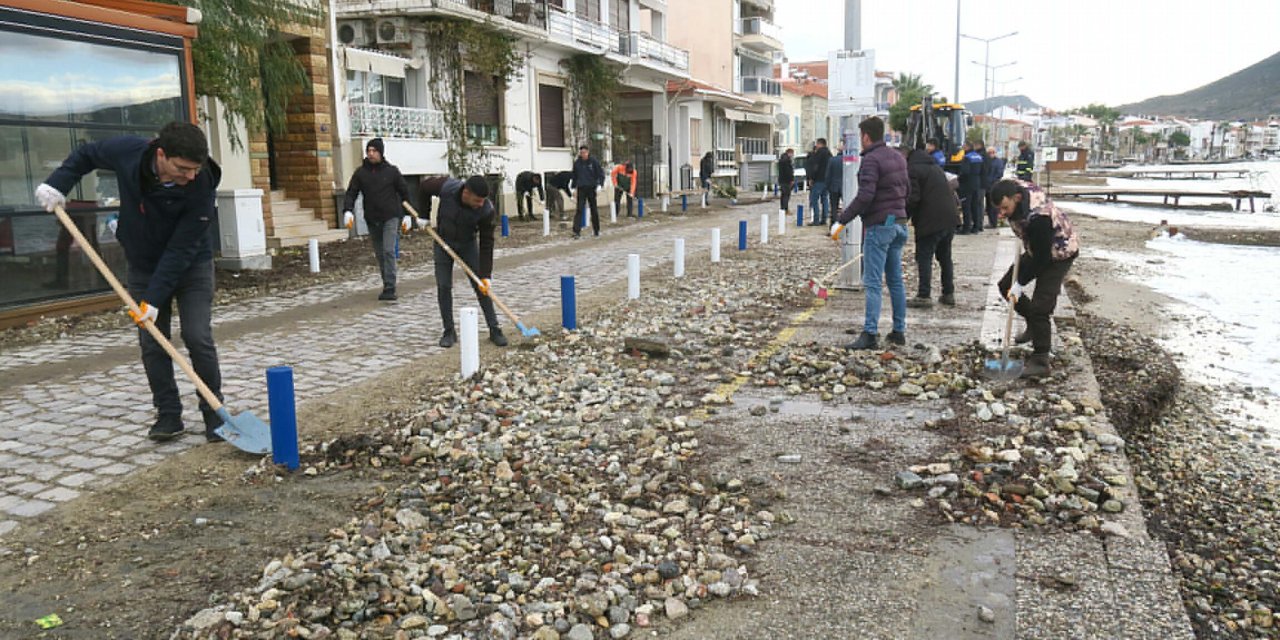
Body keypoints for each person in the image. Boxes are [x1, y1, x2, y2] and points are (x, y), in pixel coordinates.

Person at [35, 122, 226, 442]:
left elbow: (181, 249)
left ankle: (215, 415)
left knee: (197, 336)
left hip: (192, 265)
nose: (189, 176)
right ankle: (168, 415)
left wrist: (152, 299)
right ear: (162, 155)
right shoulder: (130, 153)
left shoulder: (201, 183)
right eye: (183, 168)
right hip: (144, 263)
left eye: (195, 169)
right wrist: (58, 184)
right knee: (152, 342)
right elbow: (87, 154)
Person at [829, 117, 909, 350]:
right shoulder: (898, 157)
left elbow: (865, 196)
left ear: (865, 136)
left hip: (879, 226)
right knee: (895, 281)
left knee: (872, 282)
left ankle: (870, 334)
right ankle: (898, 331)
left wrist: (841, 221)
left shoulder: (871, 160)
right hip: (899, 223)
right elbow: (908, 190)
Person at [989, 178, 1079, 378]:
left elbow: (1042, 259)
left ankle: (1040, 360)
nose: (1001, 214)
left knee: (1041, 306)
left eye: (1005, 208)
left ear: (1017, 198)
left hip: (1058, 253)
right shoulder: (1014, 190)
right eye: (998, 209)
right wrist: (1015, 284)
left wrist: (1020, 283)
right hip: (1036, 247)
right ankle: (1032, 324)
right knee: (1005, 286)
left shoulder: (1039, 218)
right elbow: (1035, 252)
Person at [419, 175, 508, 348]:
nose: (480, 204)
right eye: (477, 200)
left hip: (468, 245)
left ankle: (494, 328)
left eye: (483, 200)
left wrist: (486, 274)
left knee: (481, 286)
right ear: (466, 193)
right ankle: (449, 331)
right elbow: (424, 187)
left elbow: (487, 242)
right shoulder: (447, 188)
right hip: (442, 241)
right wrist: (424, 215)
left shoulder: (486, 210)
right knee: (443, 286)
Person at [342, 138, 413, 301]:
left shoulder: (392, 172)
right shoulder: (361, 173)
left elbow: (404, 193)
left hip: (390, 217)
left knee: (388, 250)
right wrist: (347, 210)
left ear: (381, 152)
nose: (371, 154)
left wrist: (408, 215)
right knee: (380, 253)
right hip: (372, 218)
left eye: (374, 151)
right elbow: (351, 192)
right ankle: (386, 282)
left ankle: (390, 286)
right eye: (369, 151)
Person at [904, 146, 957, 308]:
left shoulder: (913, 169)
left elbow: (914, 198)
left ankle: (924, 294)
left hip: (930, 220)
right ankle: (948, 293)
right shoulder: (934, 167)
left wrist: (902, 217)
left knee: (924, 256)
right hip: (949, 218)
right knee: (945, 256)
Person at [570, 145, 605, 237]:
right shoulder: (577, 163)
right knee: (579, 209)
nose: (583, 154)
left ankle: (596, 230)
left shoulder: (594, 162)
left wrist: (600, 185)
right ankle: (576, 231)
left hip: (591, 188)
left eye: (584, 152)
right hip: (581, 188)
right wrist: (573, 188)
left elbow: (600, 174)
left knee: (594, 209)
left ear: (588, 152)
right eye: (581, 153)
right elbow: (574, 176)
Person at [958, 141, 985, 233]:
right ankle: (976, 227)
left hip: (967, 184)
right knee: (975, 206)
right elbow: (983, 171)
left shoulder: (967, 158)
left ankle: (966, 228)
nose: (962, 148)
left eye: (963, 147)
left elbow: (965, 172)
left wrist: (959, 179)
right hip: (977, 184)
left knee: (966, 206)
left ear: (967, 147)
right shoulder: (979, 157)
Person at [805, 138, 832, 225]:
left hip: (818, 180)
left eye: (817, 144)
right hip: (827, 180)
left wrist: (811, 178)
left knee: (814, 199)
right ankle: (824, 219)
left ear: (820, 144)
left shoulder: (819, 153)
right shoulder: (829, 154)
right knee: (825, 199)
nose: (816, 146)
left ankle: (816, 220)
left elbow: (815, 167)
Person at [984, 147, 1007, 228]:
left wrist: (992, 181)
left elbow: (999, 174)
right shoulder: (987, 161)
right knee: (989, 206)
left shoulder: (998, 162)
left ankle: (994, 222)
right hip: (987, 186)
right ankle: (991, 222)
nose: (990, 154)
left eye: (992, 152)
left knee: (993, 205)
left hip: (994, 186)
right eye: (989, 152)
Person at [825, 143, 845, 212]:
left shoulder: (832, 160)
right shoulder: (848, 160)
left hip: (833, 187)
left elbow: (828, 175)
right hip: (845, 187)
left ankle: (834, 221)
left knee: (834, 207)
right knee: (847, 206)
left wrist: (827, 186)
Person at [777, 148, 795, 212]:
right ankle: (785, 209)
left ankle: (782, 209)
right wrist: (791, 179)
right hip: (786, 181)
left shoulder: (781, 160)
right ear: (789, 153)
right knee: (786, 195)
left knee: (783, 195)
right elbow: (788, 172)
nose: (792, 155)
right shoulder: (787, 161)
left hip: (781, 180)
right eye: (792, 154)